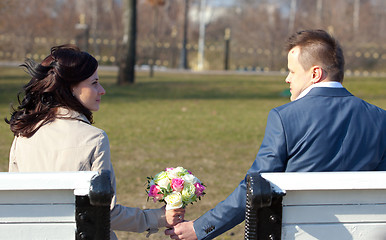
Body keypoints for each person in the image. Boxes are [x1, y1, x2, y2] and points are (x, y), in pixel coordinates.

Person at [165, 29, 386, 240]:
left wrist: (201, 228)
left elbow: (254, 189)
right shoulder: (380, 119)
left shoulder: (285, 118)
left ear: (315, 73)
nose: (287, 79)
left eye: (292, 71)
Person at [6, 44, 185, 239]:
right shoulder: (95, 139)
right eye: (94, 83)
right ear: (70, 88)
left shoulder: (23, 134)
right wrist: (157, 217)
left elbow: (15, 205)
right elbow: (105, 214)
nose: (102, 90)